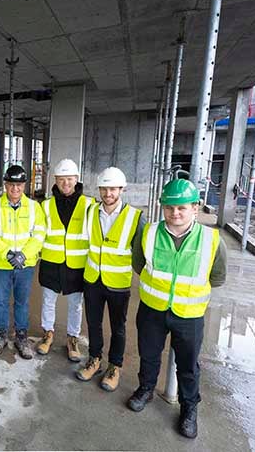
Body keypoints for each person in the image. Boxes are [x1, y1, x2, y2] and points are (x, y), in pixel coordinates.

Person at [127, 179, 227, 439]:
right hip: (152, 309)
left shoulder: (212, 240)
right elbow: (139, 264)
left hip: (189, 315)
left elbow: (216, 277)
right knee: (149, 355)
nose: (175, 213)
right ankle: (146, 389)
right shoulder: (148, 233)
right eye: (170, 208)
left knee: (188, 365)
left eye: (182, 207)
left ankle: (189, 408)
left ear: (195, 208)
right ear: (163, 208)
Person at [75, 167, 144, 392]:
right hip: (93, 279)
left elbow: (141, 255)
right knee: (93, 323)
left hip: (118, 283)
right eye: (104, 188)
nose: (108, 193)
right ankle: (94, 359)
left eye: (113, 189)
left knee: (118, 327)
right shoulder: (91, 212)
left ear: (121, 189)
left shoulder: (135, 217)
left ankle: (115, 366)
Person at [0, 165, 45, 359]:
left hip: (25, 266)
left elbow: (39, 234)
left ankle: (21, 337)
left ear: (24, 185)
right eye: (11, 185)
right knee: (1, 301)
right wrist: (9, 254)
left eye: (19, 185)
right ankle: (0, 336)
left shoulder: (35, 207)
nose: (15, 189)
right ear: (5, 185)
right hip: (3, 265)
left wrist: (23, 255)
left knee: (22, 302)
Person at [37, 158, 94, 362]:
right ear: (55, 180)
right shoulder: (45, 205)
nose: (65, 183)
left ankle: (72, 338)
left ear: (76, 179)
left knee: (75, 305)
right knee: (48, 301)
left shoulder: (89, 205)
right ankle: (48, 334)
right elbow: (39, 233)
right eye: (61, 179)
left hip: (76, 265)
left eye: (69, 179)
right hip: (51, 262)